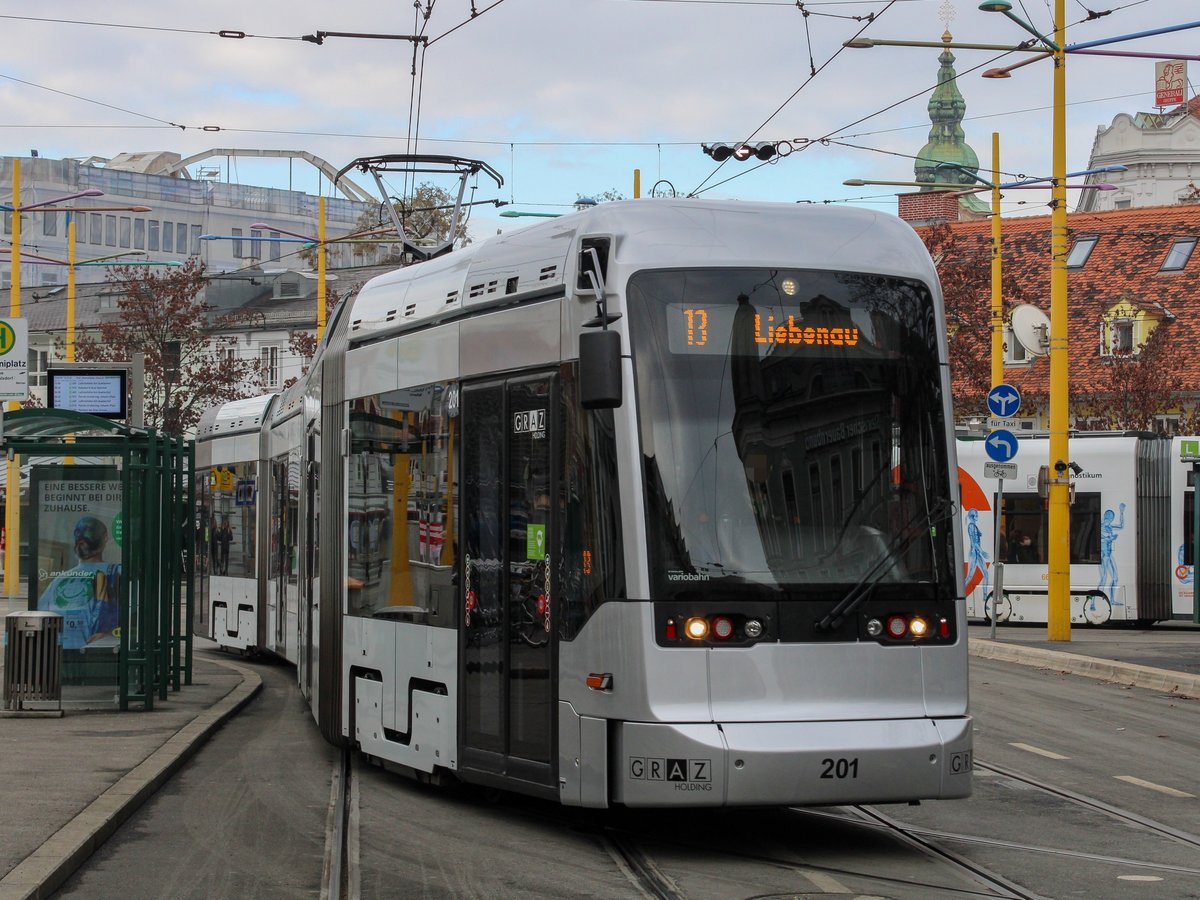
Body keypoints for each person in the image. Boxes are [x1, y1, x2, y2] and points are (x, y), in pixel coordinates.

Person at [37, 515, 122, 650]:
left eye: (89, 529)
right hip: (67, 657)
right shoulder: (58, 580)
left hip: (91, 655)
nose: (82, 534)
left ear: (105, 537)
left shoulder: (117, 573)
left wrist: (111, 634)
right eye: (78, 531)